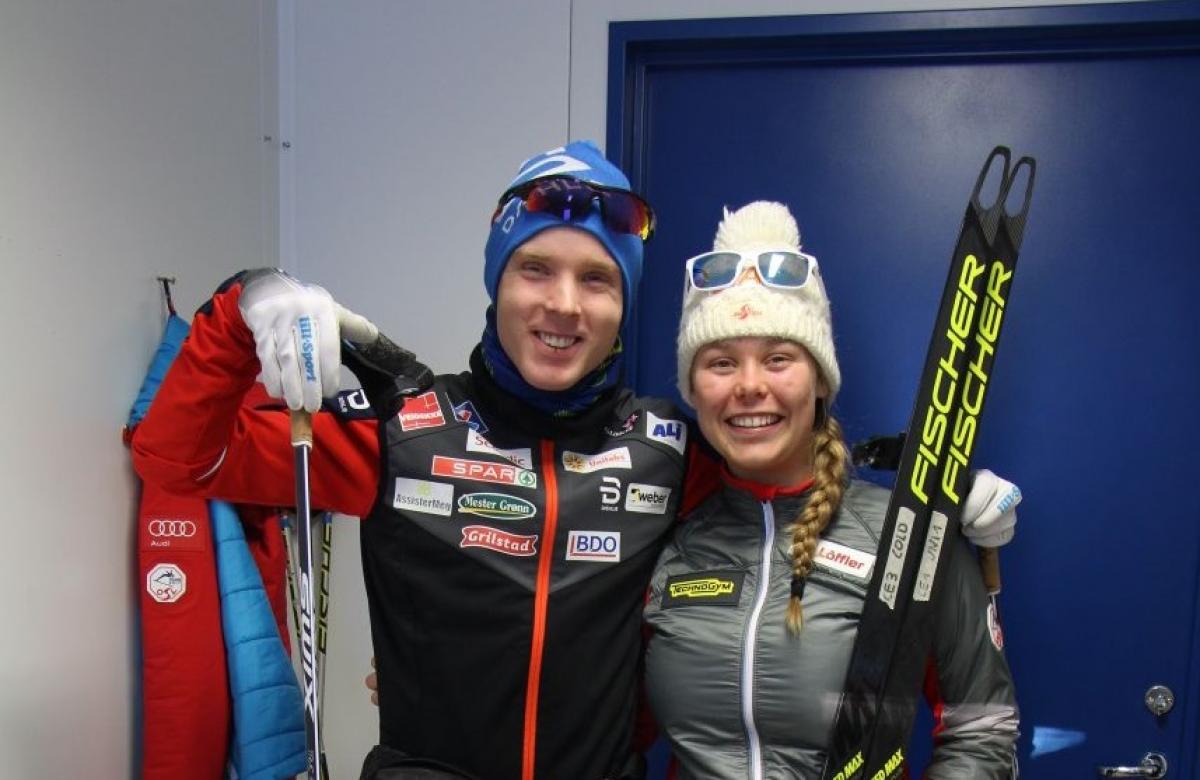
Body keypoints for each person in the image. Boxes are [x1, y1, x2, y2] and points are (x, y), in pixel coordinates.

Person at [133, 142, 1017, 780]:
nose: (564, 305)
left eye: (597, 280)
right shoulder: (403, 428)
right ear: (497, 281)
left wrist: (930, 492)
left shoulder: (671, 450)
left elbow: (781, 459)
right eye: (535, 270)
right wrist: (239, 307)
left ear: (624, 304)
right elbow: (176, 459)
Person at [642, 201, 1020, 779]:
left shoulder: (907, 537)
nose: (749, 386)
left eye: (777, 359)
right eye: (720, 362)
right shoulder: (663, 527)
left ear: (819, 377)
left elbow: (983, 726)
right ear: (693, 388)